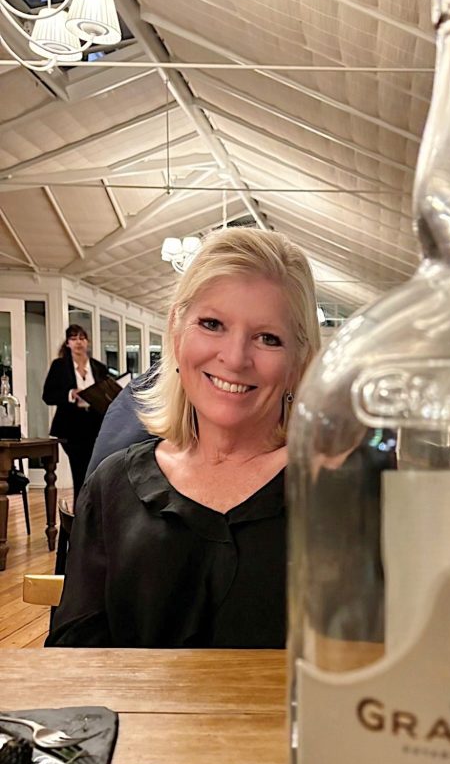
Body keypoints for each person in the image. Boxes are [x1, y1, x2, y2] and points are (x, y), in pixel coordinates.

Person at [47, 228, 321, 648]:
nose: (234, 358)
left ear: (300, 360)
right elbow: (75, 658)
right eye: (212, 324)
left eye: (268, 338)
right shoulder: (112, 485)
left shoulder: (340, 489)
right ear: (176, 332)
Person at [42, 325, 110, 501]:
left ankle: (92, 514)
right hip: (71, 427)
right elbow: (48, 395)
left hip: (96, 425)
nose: (78, 342)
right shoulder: (59, 366)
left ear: (87, 341)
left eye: (82, 338)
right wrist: (70, 394)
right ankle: (79, 516)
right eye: (73, 338)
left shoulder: (99, 367)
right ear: (67, 343)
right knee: (80, 471)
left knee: (96, 472)